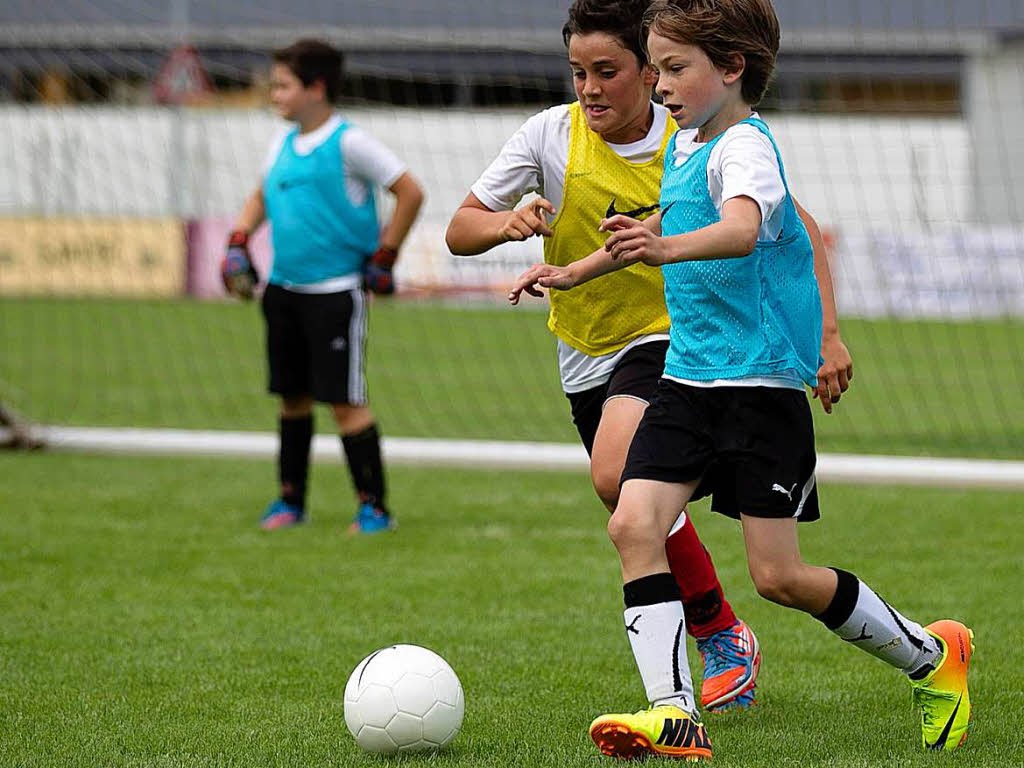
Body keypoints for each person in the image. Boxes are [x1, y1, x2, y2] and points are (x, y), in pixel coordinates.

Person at [510, 0, 973, 759]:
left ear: (732, 69)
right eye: (655, 67)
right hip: (689, 383)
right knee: (632, 524)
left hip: (758, 392)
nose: (659, 84)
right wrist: (580, 269)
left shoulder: (747, 148)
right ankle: (672, 712)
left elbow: (743, 227)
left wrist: (667, 255)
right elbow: (661, 221)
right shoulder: (691, 143)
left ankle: (932, 656)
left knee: (779, 577)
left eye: (674, 68)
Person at [448, 0, 850, 712]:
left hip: (676, 336)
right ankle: (723, 630)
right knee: (621, 494)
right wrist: (507, 226)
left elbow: (795, 225)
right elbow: (459, 229)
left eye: (608, 71)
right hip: (585, 347)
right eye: (577, 72)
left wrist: (826, 337)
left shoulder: (695, 126)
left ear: (648, 69)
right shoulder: (549, 135)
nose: (590, 88)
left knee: (618, 480)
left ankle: (688, 688)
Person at [223, 39, 424, 533]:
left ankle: (373, 507)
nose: (274, 95)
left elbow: (409, 191)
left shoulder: (349, 142)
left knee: (344, 402)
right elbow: (259, 194)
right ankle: (290, 500)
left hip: (335, 294)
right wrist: (238, 240)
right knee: (291, 398)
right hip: (282, 291)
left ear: (316, 88)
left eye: (282, 85)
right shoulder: (281, 143)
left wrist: (387, 253)